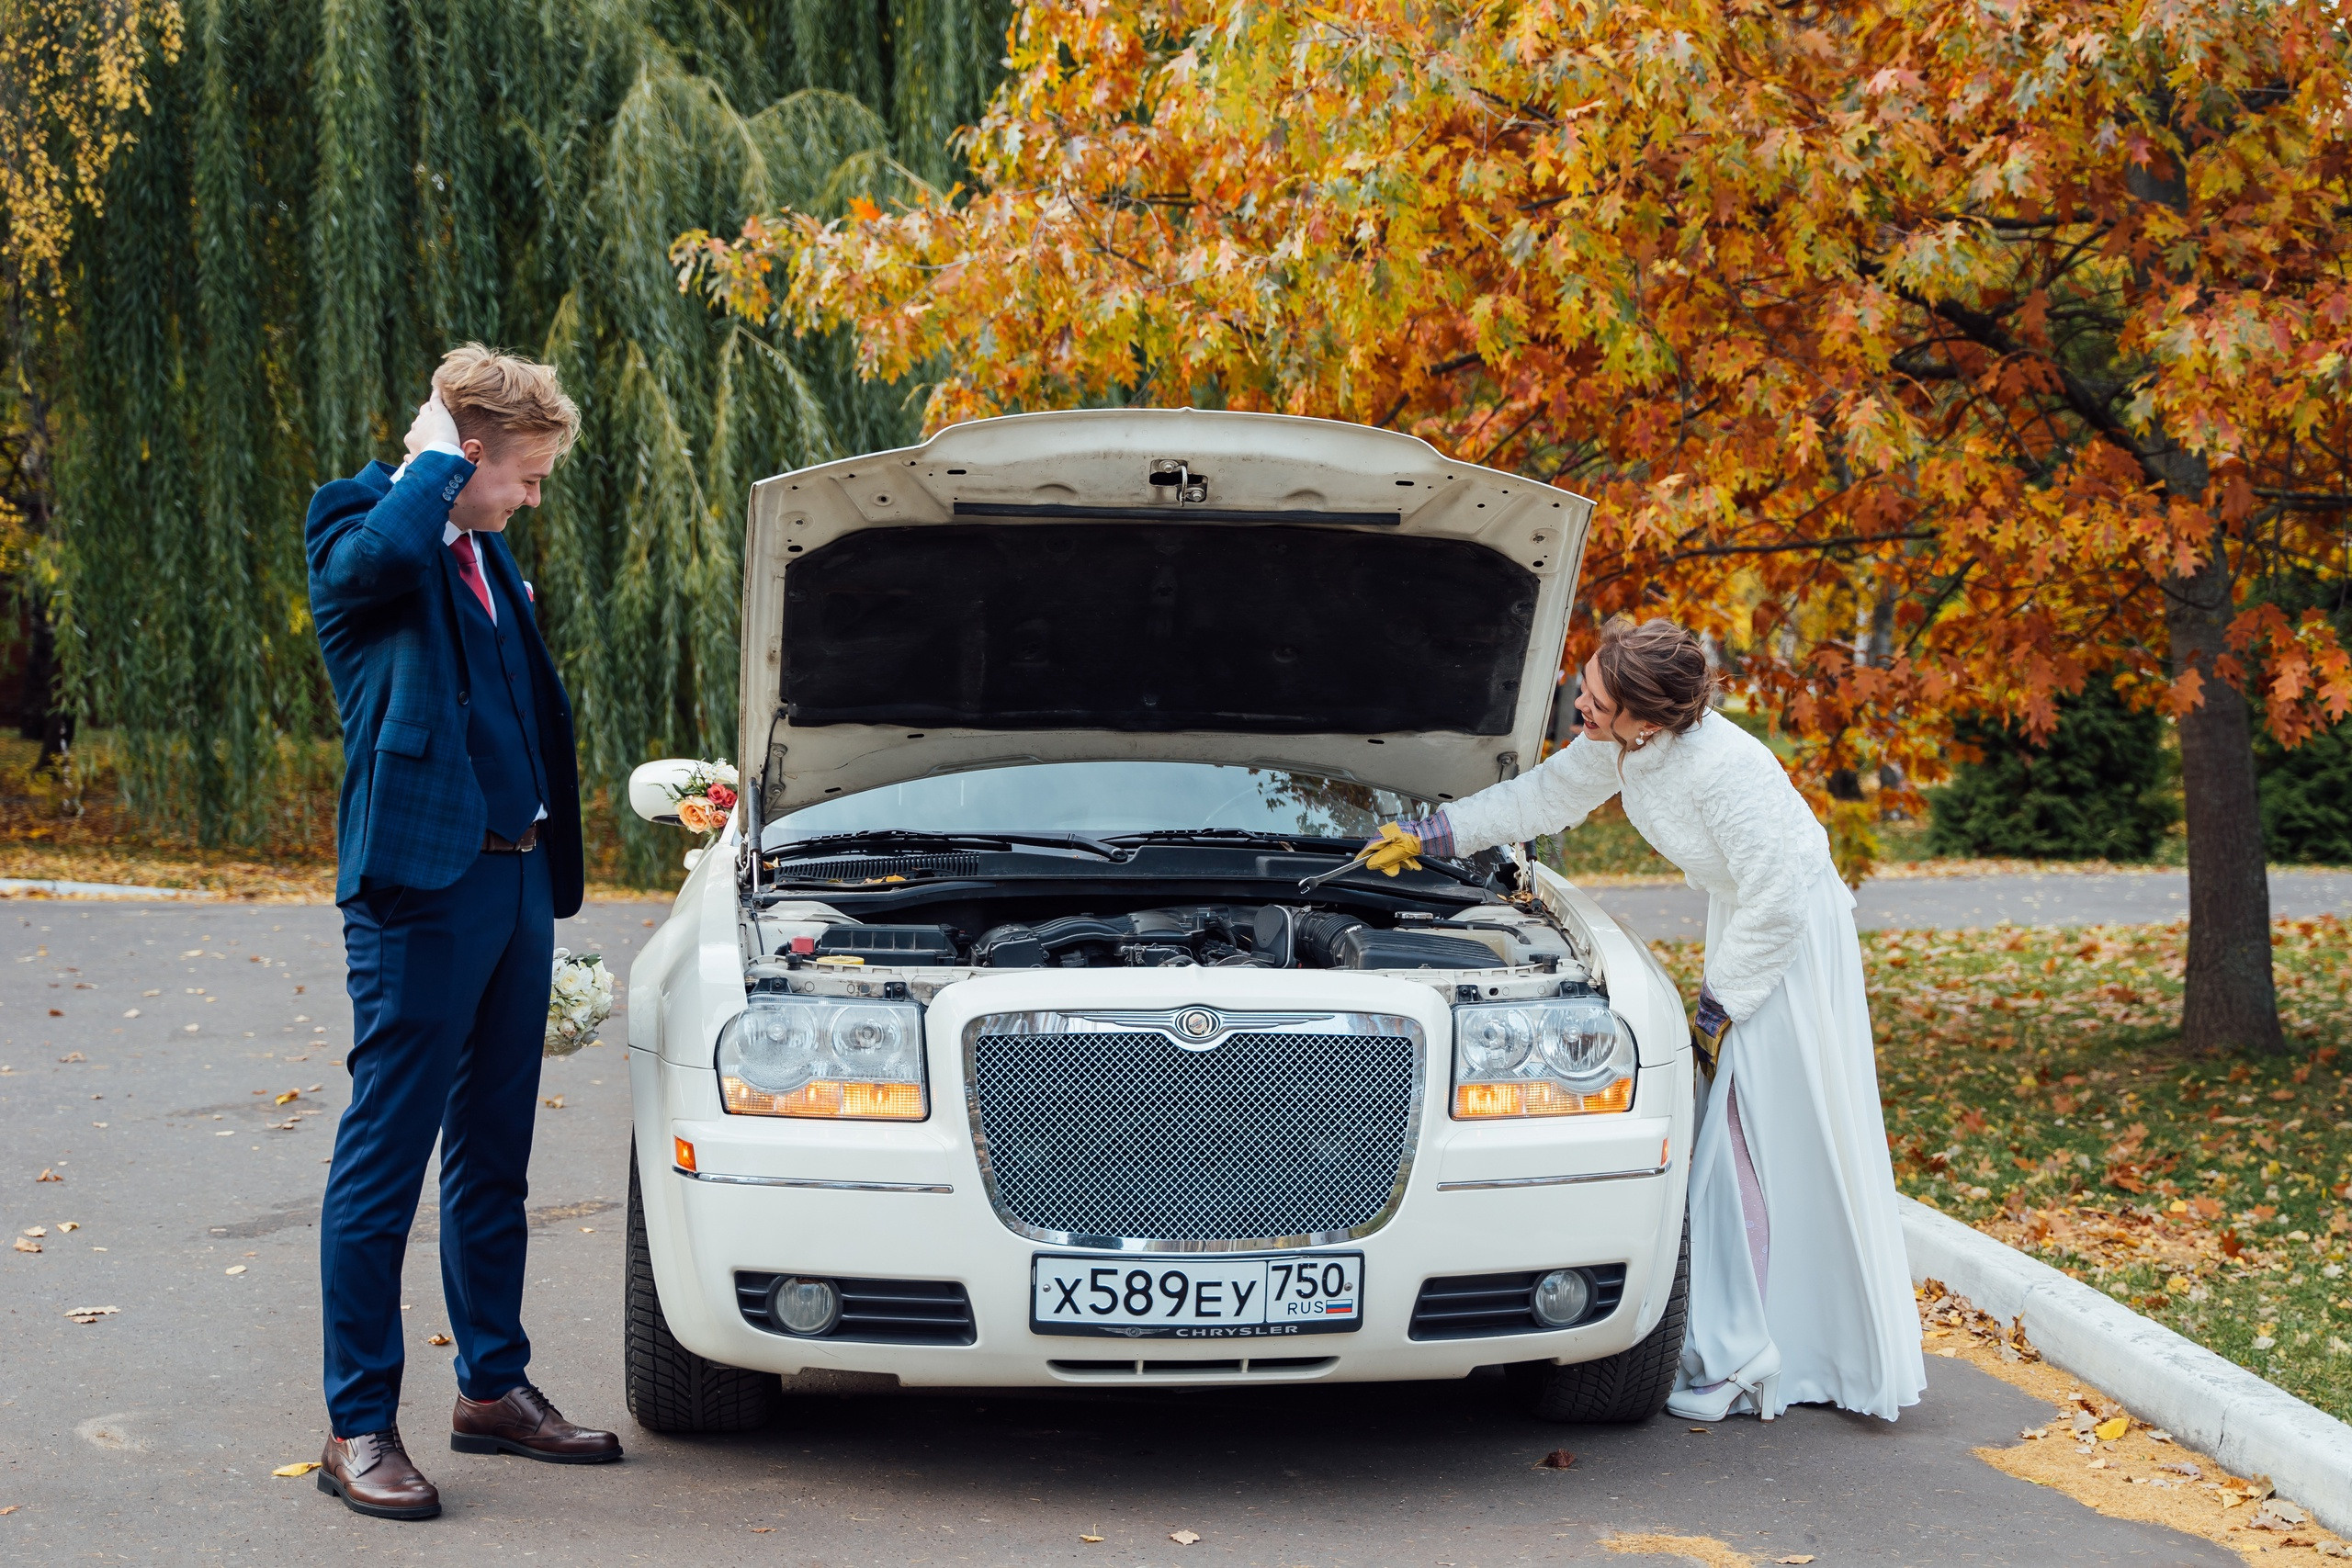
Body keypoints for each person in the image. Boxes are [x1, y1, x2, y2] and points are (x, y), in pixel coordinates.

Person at [1366, 617, 1925, 1423]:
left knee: (1745, 1137)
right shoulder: (1624, 746)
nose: (1580, 705)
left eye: (1594, 698)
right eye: (1585, 686)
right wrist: (1433, 834)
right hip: (1747, 927)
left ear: (1648, 719)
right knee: (1741, 1134)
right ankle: (1752, 1336)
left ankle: (1748, 1355)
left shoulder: (1729, 770)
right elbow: (1543, 796)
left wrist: (1717, 1006)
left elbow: (1779, 899)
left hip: (1789, 948)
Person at [306, 344, 619, 1520]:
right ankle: (356, 1425)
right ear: (466, 454)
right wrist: (432, 467)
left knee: (494, 1154)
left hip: (516, 884)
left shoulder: (490, 556)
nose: (531, 499)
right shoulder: (360, 522)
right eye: (522, 476)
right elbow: (375, 565)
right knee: (384, 1160)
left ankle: (492, 1387)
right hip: (418, 895)